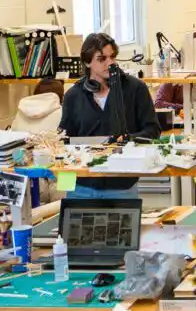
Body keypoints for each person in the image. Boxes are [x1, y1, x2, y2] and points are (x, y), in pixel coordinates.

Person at [59, 32, 160, 198]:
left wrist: (130, 139)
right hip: (81, 186)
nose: (110, 63)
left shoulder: (136, 89)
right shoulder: (73, 95)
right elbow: (65, 138)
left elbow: (153, 130)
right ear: (87, 61)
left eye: (112, 57)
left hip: (121, 185)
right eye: (102, 59)